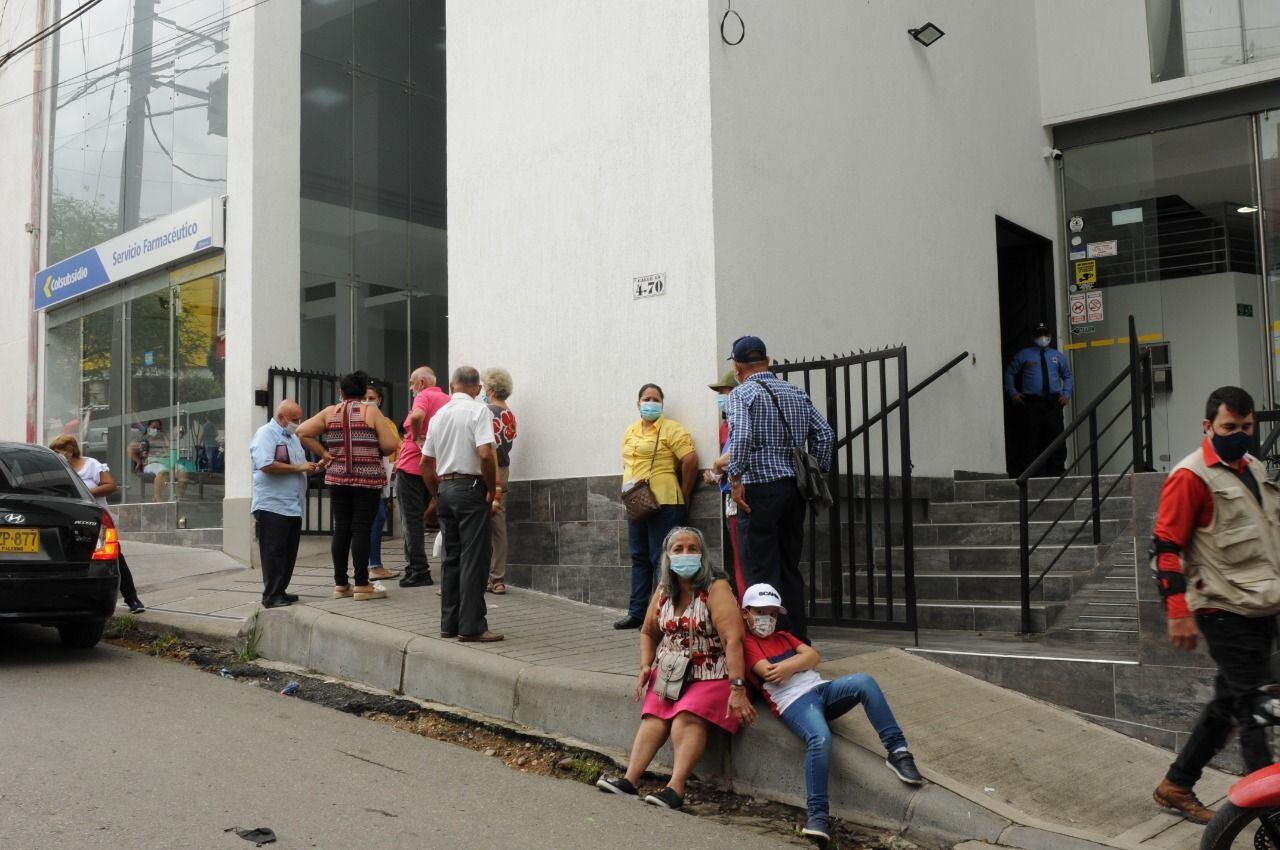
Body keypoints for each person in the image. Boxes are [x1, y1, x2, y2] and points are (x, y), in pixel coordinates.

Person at [1150, 386, 1280, 824]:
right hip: (1223, 609)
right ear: (1208, 426)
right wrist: (1177, 611)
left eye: (1246, 426)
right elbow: (1165, 547)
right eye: (1229, 427)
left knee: (1229, 701)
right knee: (1256, 708)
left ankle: (1176, 784)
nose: (1239, 434)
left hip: (1261, 605)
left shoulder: (1254, 468)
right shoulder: (1191, 476)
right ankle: (1272, 821)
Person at [739, 582, 922, 844]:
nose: (767, 619)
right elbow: (769, 673)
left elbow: (814, 656)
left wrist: (790, 666)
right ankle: (817, 816)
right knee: (820, 738)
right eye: (760, 612)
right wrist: (799, 662)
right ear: (745, 613)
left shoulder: (785, 637)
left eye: (772, 613)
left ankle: (898, 751)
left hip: (821, 689)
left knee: (864, 682)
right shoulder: (747, 643)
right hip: (794, 702)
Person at [596, 526, 756, 810]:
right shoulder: (663, 591)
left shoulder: (716, 588)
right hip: (672, 672)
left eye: (692, 549)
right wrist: (646, 665)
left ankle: (675, 788)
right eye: (678, 549)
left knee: (686, 717)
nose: (685, 554)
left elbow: (733, 639)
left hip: (713, 672)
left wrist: (738, 687)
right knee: (654, 718)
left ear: (702, 555)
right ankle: (630, 780)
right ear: (667, 557)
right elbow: (648, 632)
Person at [723, 335, 834, 643]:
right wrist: (818, 471)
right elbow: (825, 434)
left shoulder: (741, 394)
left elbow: (742, 437)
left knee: (760, 571)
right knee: (789, 567)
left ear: (737, 367)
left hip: (758, 490)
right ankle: (798, 640)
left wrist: (735, 479)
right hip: (794, 490)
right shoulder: (796, 392)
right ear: (768, 361)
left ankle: (770, 645)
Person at [296, 371, 400, 602]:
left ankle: (341, 584)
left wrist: (324, 452)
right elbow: (390, 445)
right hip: (367, 480)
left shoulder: (330, 412)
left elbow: (301, 431)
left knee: (341, 528)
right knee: (361, 529)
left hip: (337, 479)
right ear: (363, 393)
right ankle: (362, 584)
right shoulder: (371, 412)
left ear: (341, 392)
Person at [421, 366, 502, 642]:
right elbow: (486, 455)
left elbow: (425, 463)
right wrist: (490, 489)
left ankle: (450, 623)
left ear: (451, 386)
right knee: (474, 558)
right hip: (471, 488)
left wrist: (437, 494)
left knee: (452, 557)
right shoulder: (479, 411)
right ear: (477, 389)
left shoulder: (438, 416)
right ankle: (472, 626)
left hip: (446, 488)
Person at [614, 383, 699, 630]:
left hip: (666, 502)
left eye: (656, 399)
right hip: (636, 502)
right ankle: (637, 612)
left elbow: (690, 460)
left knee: (660, 558)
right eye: (646, 399)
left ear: (662, 403)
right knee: (639, 557)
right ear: (638, 403)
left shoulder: (671, 429)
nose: (650, 403)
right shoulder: (631, 430)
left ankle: (661, 614)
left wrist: (684, 493)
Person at [49, 435, 145, 614]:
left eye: (58, 451)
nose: (57, 455)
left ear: (69, 450)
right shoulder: (62, 469)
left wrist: (84, 493)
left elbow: (110, 485)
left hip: (96, 521)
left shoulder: (91, 465)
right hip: (72, 522)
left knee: (114, 557)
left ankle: (132, 599)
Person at [249, 401, 319, 608]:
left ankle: (280, 590)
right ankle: (271, 595)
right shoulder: (266, 434)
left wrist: (315, 467)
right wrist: (300, 468)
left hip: (293, 505)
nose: (299, 422)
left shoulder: (293, 439)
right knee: (274, 552)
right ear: (281, 417)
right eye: (295, 419)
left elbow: (299, 468)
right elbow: (266, 464)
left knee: (288, 552)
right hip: (272, 505)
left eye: (299, 418)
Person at [394, 366, 451, 588]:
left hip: (411, 466)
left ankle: (419, 570)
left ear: (421, 383)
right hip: (436, 468)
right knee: (437, 520)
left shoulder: (424, 396)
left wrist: (416, 437)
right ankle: (418, 567)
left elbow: (417, 416)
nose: (411, 387)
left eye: (412, 382)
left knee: (411, 521)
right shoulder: (447, 400)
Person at [1003, 322, 1073, 477]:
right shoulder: (1024, 355)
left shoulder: (1057, 356)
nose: (1043, 338)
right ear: (1033, 337)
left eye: (1045, 334)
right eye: (1039, 335)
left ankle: (1057, 471)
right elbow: (1009, 374)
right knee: (1032, 438)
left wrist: (1066, 394)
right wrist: (1013, 393)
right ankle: (1032, 473)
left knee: (1056, 437)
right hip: (1032, 403)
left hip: (1053, 402)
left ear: (1050, 336)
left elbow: (1067, 376)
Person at [704, 368, 747, 597]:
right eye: (720, 393)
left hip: (744, 492)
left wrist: (717, 465)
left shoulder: (742, 421)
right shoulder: (725, 425)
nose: (722, 398)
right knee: (738, 556)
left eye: (725, 392)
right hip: (730, 493)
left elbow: (735, 454)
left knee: (746, 556)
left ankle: (751, 607)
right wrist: (716, 474)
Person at [482, 367, 518, 595]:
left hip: (487, 470)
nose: (483, 391)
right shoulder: (509, 414)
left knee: (480, 522)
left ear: (492, 390)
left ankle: (483, 575)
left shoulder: (486, 412)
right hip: (504, 469)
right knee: (498, 523)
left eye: (485, 387)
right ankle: (498, 578)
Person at [363, 383, 401, 582]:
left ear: (380, 400)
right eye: (365, 398)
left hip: (383, 476)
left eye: (372, 398)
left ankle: (371, 565)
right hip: (369, 477)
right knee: (376, 518)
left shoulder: (387, 423)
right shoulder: (362, 421)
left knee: (377, 518)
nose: (368, 402)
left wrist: (395, 468)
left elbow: (396, 448)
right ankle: (373, 566)